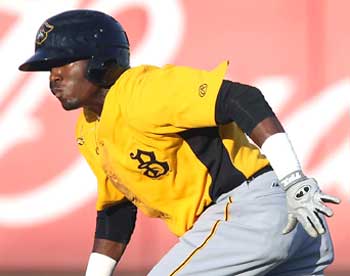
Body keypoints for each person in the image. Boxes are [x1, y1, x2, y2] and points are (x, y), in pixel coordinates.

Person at [19, 9, 341, 276]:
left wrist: (293, 180)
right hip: (279, 227)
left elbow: (240, 98)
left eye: (64, 61)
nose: (54, 75)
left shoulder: (142, 90)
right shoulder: (88, 127)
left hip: (252, 211)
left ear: (100, 61)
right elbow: (116, 212)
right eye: (50, 67)